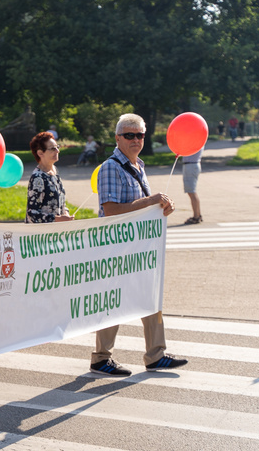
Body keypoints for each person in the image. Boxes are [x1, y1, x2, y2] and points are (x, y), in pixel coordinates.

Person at [91, 113, 188, 376]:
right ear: (117, 138)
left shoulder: (139, 165)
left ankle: (156, 354)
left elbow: (141, 206)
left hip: (138, 247)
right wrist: (149, 202)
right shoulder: (111, 167)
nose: (136, 140)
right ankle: (100, 358)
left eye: (140, 135)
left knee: (150, 297)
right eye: (129, 135)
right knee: (113, 302)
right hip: (115, 248)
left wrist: (161, 207)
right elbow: (110, 210)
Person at [27, 132, 74, 224]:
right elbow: (32, 213)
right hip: (42, 235)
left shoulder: (54, 171)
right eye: (53, 148)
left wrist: (66, 214)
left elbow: (60, 203)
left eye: (57, 147)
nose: (57, 151)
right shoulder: (38, 178)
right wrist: (57, 219)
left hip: (55, 233)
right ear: (40, 153)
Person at [182, 145, 204, 225]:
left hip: (191, 165)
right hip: (191, 165)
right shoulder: (197, 140)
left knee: (191, 192)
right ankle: (197, 214)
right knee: (191, 192)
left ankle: (196, 216)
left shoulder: (196, 141)